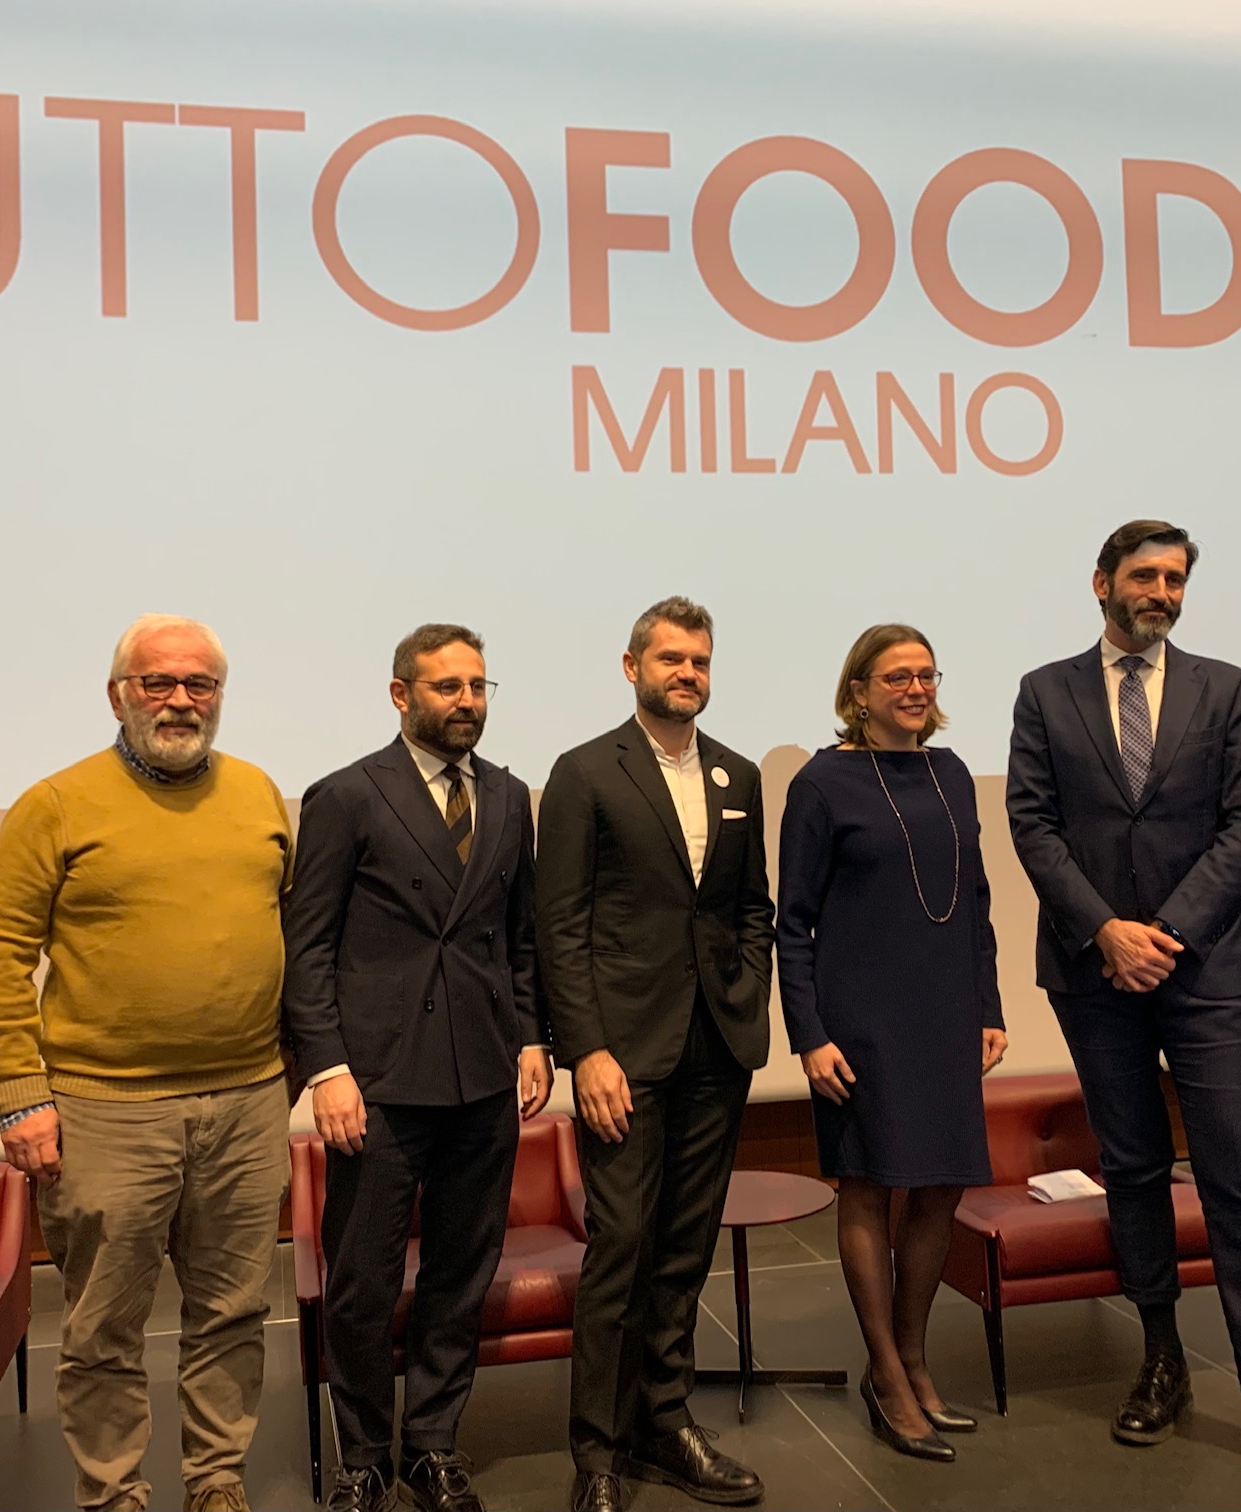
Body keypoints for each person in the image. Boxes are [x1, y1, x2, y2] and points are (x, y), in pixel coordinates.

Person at [1004, 522, 1241, 1499]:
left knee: (1238, 1179)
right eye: (1145, 576)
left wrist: (1168, 933)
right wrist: (1109, 931)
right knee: (1136, 1168)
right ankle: (1161, 1358)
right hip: (1092, 970)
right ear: (1102, 582)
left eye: (1176, 579)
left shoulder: (1227, 689)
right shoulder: (1043, 690)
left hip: (1208, 973)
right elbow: (1031, 822)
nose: (1162, 592)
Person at [0, 614, 294, 1512]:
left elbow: (295, 938)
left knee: (232, 1314)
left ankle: (216, 1481)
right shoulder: (57, 804)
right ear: (118, 694)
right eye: (159, 683)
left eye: (200, 684)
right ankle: (114, 1493)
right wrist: (18, 1097)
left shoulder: (262, 794)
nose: (181, 700)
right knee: (104, 1325)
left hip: (250, 1101)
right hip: (105, 1109)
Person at [282, 624, 553, 1512]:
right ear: (401, 695)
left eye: (478, 686)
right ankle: (362, 1454)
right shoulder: (348, 795)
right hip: (379, 1083)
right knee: (360, 1282)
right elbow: (308, 947)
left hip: (482, 1075)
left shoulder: (511, 797)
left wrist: (530, 1038)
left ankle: (433, 1444)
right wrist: (325, 1069)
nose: (466, 702)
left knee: (458, 1274)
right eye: (447, 688)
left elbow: (521, 937)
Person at [537, 596, 776, 1512]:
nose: (689, 674)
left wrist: (746, 991)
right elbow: (559, 924)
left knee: (683, 1247)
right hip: (623, 1055)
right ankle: (597, 1454)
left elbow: (749, 907)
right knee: (622, 1246)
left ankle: (666, 1423)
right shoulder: (586, 772)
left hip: (718, 1044)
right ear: (631, 667)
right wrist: (584, 1051)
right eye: (671, 659)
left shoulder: (740, 774)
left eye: (701, 662)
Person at [777, 625, 1007, 1463]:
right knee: (868, 1191)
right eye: (896, 676)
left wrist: (989, 1006)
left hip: (945, 1014)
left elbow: (974, 903)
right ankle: (884, 1370)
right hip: (858, 1024)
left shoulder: (950, 774)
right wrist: (809, 1035)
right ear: (860, 691)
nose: (915, 688)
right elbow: (791, 923)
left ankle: (913, 1355)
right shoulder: (821, 781)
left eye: (925, 674)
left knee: (942, 1187)